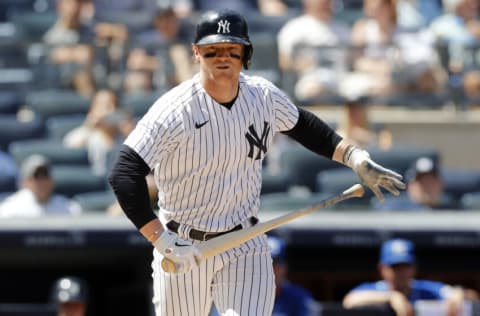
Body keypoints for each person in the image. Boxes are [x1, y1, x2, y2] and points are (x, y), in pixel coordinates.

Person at [107, 9, 405, 316]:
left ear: (245, 54)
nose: (223, 58)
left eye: (231, 50)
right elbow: (124, 173)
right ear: (196, 53)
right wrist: (161, 239)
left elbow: (305, 127)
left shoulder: (261, 96)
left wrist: (354, 156)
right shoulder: (175, 109)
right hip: (183, 243)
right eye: (213, 51)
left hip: (243, 241)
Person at [343, 238, 479, 316]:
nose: (401, 272)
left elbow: (473, 297)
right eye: (395, 267)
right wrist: (391, 297)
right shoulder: (375, 289)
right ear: (382, 269)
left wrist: (460, 293)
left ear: (414, 267)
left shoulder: (426, 289)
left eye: (405, 266)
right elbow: (349, 301)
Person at [0, 154, 82, 217]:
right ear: (25, 182)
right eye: (36, 177)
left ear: (52, 180)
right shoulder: (10, 209)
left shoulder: (70, 209)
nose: (42, 182)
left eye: (45, 176)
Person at [373, 156, 459, 211]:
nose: (427, 186)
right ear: (410, 185)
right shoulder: (394, 209)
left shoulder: (453, 210)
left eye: (431, 181)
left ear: (440, 184)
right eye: (421, 182)